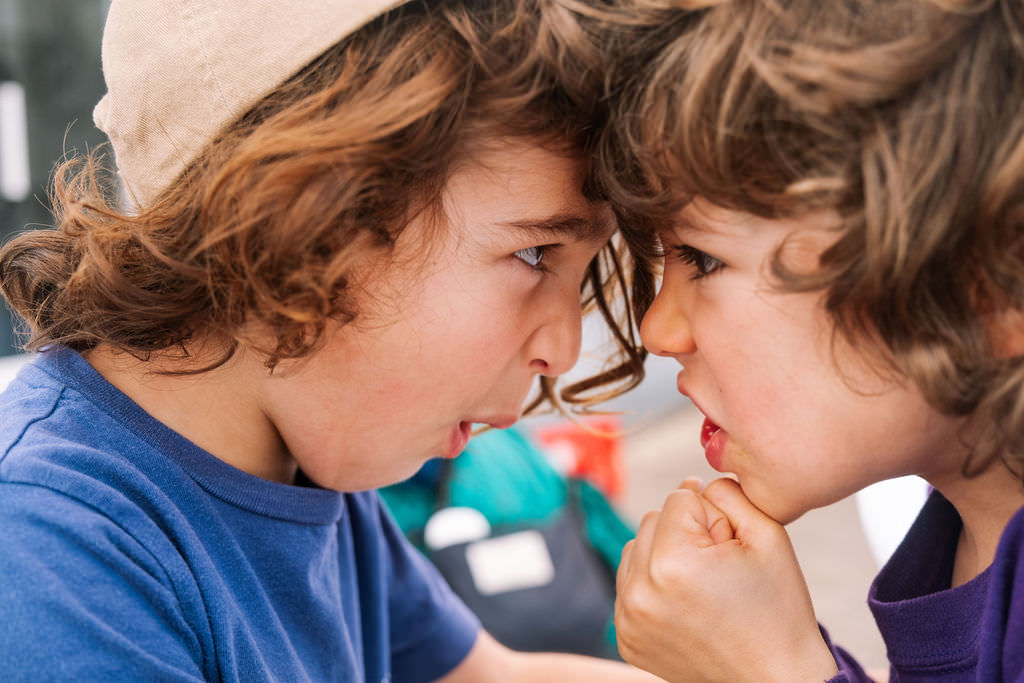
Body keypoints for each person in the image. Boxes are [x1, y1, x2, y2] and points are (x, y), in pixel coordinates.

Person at [0, 0, 665, 680]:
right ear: (302, 219)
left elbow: (489, 674)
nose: (562, 343)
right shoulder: (49, 544)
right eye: (533, 255)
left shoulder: (308, 472)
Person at [599, 0, 1024, 681]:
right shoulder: (956, 546)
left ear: (990, 290)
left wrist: (770, 668)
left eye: (704, 259)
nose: (659, 329)